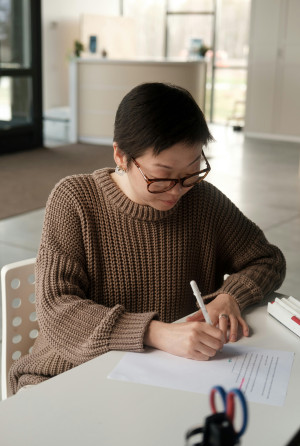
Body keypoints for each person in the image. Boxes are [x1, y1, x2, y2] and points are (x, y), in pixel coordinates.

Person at [9, 83, 286, 394]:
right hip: (69, 375)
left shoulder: (203, 201)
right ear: (121, 155)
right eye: (162, 176)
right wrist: (156, 333)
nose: (177, 189)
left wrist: (230, 296)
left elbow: (267, 259)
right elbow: (58, 311)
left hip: (165, 377)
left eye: (192, 172)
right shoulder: (74, 199)